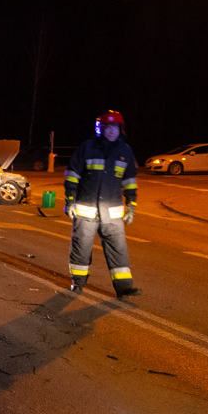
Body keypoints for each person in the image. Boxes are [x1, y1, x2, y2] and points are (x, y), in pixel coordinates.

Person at [63, 110, 141, 299]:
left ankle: (124, 288)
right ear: (102, 129)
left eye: (115, 127)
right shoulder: (87, 148)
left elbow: (130, 180)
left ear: (120, 129)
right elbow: (72, 174)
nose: (111, 131)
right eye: (107, 127)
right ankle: (78, 283)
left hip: (112, 213)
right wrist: (70, 201)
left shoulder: (125, 151)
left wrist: (131, 205)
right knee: (81, 247)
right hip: (86, 210)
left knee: (118, 250)